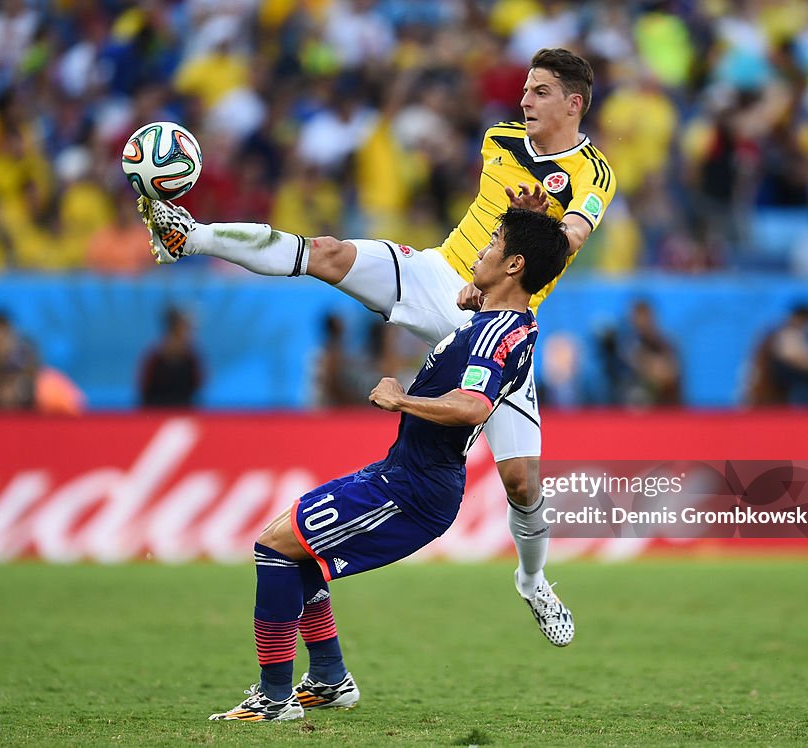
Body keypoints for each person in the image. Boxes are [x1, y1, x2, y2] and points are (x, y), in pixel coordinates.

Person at [138, 48, 616, 645]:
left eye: (540, 92)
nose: (524, 100)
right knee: (329, 252)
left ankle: (533, 580)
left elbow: (571, 236)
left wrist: (542, 223)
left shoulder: (594, 174)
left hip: (497, 324)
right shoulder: (499, 137)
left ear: (573, 103)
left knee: (521, 482)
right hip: (441, 276)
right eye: (524, 89)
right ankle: (191, 235)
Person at [208, 209, 571, 722]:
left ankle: (273, 698)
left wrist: (403, 400)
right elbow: (489, 339)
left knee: (274, 547)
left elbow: (473, 406)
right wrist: (479, 299)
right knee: (300, 556)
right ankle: (330, 680)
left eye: (493, 243)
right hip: (404, 475)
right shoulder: (503, 324)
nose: (480, 250)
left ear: (514, 264)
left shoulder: (497, 333)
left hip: (413, 490)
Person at [138, 307, 204, 407]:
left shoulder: (192, 359)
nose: (191, 334)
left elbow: (197, 387)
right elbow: (144, 388)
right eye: (186, 328)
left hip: (184, 412)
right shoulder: (154, 358)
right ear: (175, 328)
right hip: (155, 413)